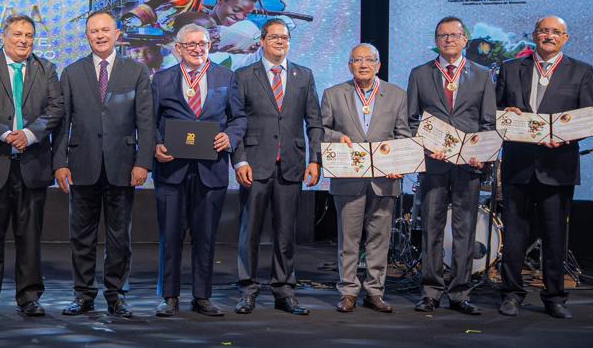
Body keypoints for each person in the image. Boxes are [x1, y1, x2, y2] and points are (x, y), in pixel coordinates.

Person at [0, 14, 65, 318]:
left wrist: (29, 134)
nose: (23, 40)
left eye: (29, 35)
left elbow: (56, 107)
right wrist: (5, 134)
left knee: (29, 237)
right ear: (4, 36)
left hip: (32, 164)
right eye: (18, 34)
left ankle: (29, 297)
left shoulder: (47, 68)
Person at [52, 10, 154, 318]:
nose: (100, 35)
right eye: (94, 31)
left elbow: (145, 121)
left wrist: (143, 163)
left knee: (119, 237)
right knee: (81, 237)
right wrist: (59, 163)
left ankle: (116, 294)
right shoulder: (71, 72)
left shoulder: (136, 71)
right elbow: (62, 123)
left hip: (123, 165)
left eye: (105, 30)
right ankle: (83, 294)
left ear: (117, 34)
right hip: (81, 165)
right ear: (87, 36)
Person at [495, 15, 593, 319]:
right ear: (534, 35)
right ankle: (511, 294)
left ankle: (554, 297)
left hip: (558, 165)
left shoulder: (581, 70)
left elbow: (587, 118)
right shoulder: (511, 68)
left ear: (565, 38)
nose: (549, 36)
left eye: (555, 32)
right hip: (518, 164)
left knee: (554, 235)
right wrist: (506, 113)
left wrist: (565, 137)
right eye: (543, 31)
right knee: (514, 235)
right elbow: (493, 112)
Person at [152, 23, 246, 317]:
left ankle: (202, 296)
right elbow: (149, 121)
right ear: (178, 48)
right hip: (171, 170)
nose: (197, 49)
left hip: (210, 169)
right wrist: (156, 144)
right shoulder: (162, 79)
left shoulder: (226, 77)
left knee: (205, 237)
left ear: (210, 46)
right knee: (170, 235)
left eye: (202, 44)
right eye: (191, 44)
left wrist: (229, 137)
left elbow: (239, 118)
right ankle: (169, 297)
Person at [231, 18, 322, 316]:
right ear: (262, 41)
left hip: (291, 165)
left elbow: (314, 122)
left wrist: (315, 159)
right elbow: (235, 122)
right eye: (274, 37)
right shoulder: (244, 75)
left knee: (285, 233)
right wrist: (240, 160)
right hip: (255, 165)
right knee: (250, 232)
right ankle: (247, 290)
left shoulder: (303, 75)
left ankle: (284, 291)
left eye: (285, 37)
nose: (280, 42)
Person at [405, 17, 495, 316]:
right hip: (434, 163)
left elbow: (488, 122)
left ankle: (460, 293)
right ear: (436, 41)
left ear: (465, 40)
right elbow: (411, 120)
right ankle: (430, 292)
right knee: (431, 228)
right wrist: (427, 146)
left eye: (454, 35)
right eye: (442, 35)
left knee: (464, 230)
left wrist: (482, 153)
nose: (448, 40)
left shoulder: (482, 74)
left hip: (469, 166)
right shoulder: (420, 74)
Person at [320, 43, 410, 313]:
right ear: (349, 65)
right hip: (348, 177)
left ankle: (374, 291)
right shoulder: (333, 94)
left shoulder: (397, 94)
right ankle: (348, 291)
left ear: (378, 65)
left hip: (385, 179)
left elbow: (403, 135)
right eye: (357, 60)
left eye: (369, 60)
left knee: (379, 239)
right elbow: (321, 129)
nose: (363, 65)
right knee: (348, 239)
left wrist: (398, 163)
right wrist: (338, 137)